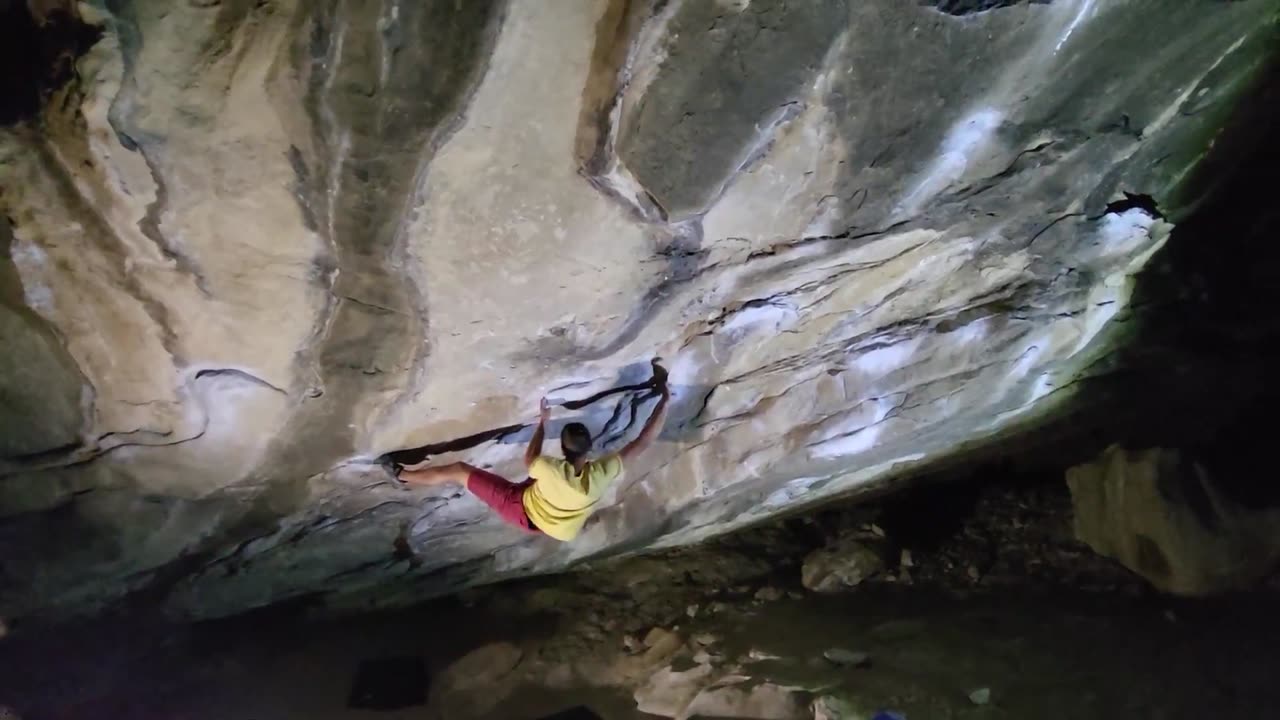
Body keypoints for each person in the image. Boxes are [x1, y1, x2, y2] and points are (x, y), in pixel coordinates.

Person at [392, 366, 670, 541]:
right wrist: (664, 400)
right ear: (590, 450)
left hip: (523, 510)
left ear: (562, 448)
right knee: (541, 484)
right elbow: (643, 441)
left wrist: (542, 423)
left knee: (459, 471)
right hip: (555, 523)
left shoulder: (550, 469)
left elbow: (531, 459)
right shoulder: (600, 474)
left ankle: (402, 475)